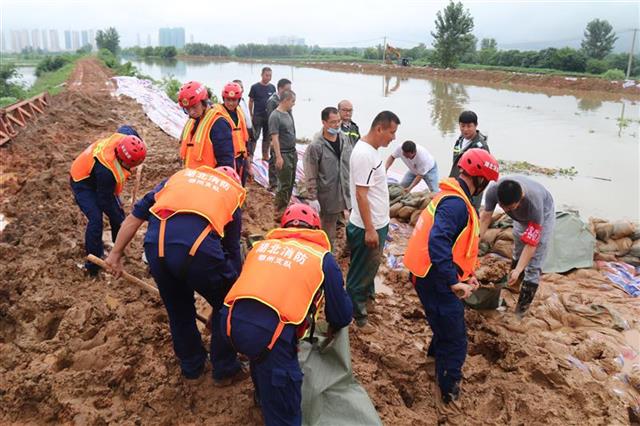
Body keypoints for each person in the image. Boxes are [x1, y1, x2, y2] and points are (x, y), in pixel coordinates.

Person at [105, 166, 247, 383]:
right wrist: (227, 299)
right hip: (196, 250)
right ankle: (225, 369)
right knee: (228, 305)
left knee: (179, 310)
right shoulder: (230, 193)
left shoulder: (176, 180)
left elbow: (134, 218)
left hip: (155, 248)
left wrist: (115, 254)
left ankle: (192, 366)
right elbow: (232, 251)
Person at [221, 203, 353, 426]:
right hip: (270, 338)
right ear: (315, 229)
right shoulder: (322, 258)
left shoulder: (261, 247)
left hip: (229, 322)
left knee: (258, 355)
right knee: (285, 407)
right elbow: (340, 314)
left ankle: (262, 397)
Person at [404, 148, 500, 406]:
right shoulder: (457, 204)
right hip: (434, 278)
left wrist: (467, 275)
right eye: (486, 182)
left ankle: (435, 361)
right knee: (456, 340)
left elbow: (457, 244)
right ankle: (448, 393)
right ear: (479, 179)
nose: (485, 187)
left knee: (444, 326)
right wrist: (452, 281)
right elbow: (438, 242)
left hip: (429, 274)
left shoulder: (451, 196)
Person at [346, 111, 400, 332]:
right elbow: (361, 195)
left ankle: (367, 300)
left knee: (370, 267)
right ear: (379, 129)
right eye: (391, 132)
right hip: (367, 226)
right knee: (359, 272)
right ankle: (357, 317)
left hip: (378, 222)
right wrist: (370, 229)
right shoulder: (363, 155)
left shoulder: (372, 151)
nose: (393, 138)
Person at [70, 125, 147, 276]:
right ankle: (93, 265)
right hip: (82, 181)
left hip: (96, 176)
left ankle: (117, 245)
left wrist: (140, 144)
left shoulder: (125, 137)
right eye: (130, 165)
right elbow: (105, 201)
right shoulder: (106, 171)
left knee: (117, 214)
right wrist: (123, 222)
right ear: (120, 158)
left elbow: (127, 128)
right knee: (96, 219)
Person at [480, 176, 555, 317]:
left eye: (510, 208)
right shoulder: (493, 190)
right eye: (503, 207)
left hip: (543, 215)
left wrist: (520, 269)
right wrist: (475, 243)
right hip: (520, 218)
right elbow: (485, 217)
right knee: (518, 248)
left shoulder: (535, 206)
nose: (506, 210)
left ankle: (520, 311)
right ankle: (513, 284)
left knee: (534, 263)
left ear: (521, 198)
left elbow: (532, 244)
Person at [303, 106, 352, 249]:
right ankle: (326, 255)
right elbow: (310, 172)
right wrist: (312, 196)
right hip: (328, 194)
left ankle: (348, 251)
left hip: (346, 191)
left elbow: (350, 162)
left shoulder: (344, 138)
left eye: (338, 121)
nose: (336, 125)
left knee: (353, 224)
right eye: (332, 122)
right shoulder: (316, 146)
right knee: (328, 229)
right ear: (324, 122)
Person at [178, 81, 234, 170]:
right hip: (190, 178)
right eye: (187, 109)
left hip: (208, 180)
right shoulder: (192, 121)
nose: (191, 112)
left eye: (194, 107)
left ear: (204, 102)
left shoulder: (218, 124)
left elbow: (226, 163)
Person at [210, 82, 250, 185]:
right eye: (228, 100)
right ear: (223, 99)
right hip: (227, 158)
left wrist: (247, 159)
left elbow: (244, 136)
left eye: (234, 100)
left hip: (241, 158)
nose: (231, 103)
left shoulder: (239, 112)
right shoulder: (217, 114)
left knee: (240, 185)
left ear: (239, 100)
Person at [448, 111, 490, 210]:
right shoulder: (460, 140)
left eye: (469, 126)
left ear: (476, 125)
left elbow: (484, 175)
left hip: (470, 191)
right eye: (462, 126)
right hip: (456, 184)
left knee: (469, 216)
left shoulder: (481, 147)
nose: (465, 129)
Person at [268, 90, 297, 220]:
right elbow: (275, 138)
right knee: (284, 183)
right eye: (292, 101)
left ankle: (285, 206)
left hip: (292, 152)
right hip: (283, 153)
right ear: (285, 100)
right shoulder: (275, 116)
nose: (293, 104)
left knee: (290, 182)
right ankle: (279, 211)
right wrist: (278, 157)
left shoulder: (288, 113)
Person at [265, 78, 292, 190]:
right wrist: (272, 139)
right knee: (275, 157)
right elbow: (271, 121)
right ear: (280, 89)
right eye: (287, 89)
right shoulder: (273, 101)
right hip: (276, 133)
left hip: (285, 134)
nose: (288, 92)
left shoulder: (287, 100)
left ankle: (283, 179)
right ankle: (273, 182)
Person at [248, 67, 276, 160]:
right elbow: (251, 101)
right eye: (266, 75)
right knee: (254, 137)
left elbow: (275, 101)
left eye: (270, 75)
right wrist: (251, 114)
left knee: (267, 138)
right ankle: (251, 156)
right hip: (258, 116)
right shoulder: (255, 87)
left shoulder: (272, 87)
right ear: (262, 75)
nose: (268, 77)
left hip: (269, 117)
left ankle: (265, 156)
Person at [233, 79, 255, 178]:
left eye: (241, 87)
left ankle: (248, 167)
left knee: (248, 150)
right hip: (241, 133)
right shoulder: (235, 105)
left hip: (247, 130)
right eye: (237, 87)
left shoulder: (242, 100)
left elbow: (246, 117)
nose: (240, 89)